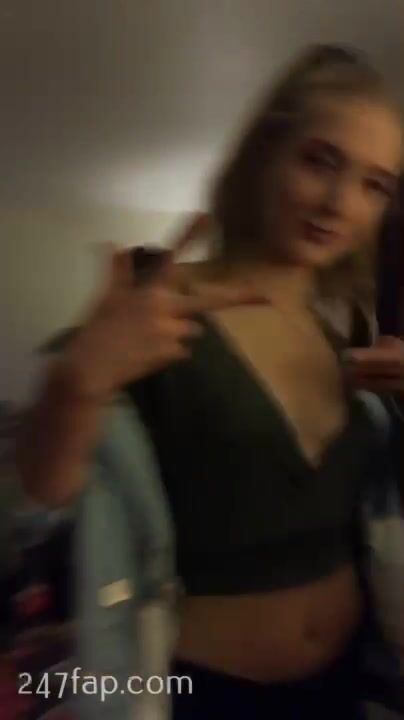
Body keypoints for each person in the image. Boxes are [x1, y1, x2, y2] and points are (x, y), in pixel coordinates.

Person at [19, 45, 403, 719]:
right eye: (320, 161)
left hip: (346, 684)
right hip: (205, 693)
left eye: (375, 185)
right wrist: (77, 383)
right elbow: (40, 495)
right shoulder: (162, 314)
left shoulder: (346, 335)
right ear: (265, 156)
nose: (340, 202)